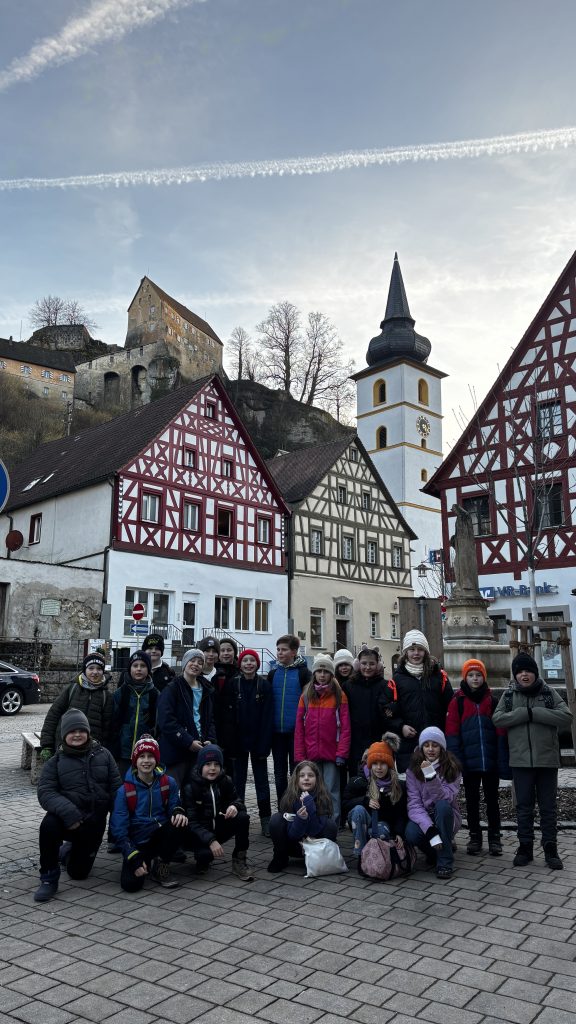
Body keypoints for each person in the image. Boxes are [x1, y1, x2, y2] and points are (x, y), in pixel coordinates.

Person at [493, 651, 572, 870]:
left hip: (547, 760)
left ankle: (550, 848)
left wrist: (535, 713)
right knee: (524, 807)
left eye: (528, 671)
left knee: (548, 807)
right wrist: (522, 714)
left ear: (535, 673)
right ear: (515, 675)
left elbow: (566, 716)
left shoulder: (548, 693)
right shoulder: (509, 695)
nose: (524, 675)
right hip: (520, 762)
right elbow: (497, 719)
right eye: (520, 672)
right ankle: (525, 847)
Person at [34, 709, 121, 902]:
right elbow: (46, 792)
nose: (77, 734)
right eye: (72, 731)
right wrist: (70, 814)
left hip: (93, 823)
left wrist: (119, 823)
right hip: (66, 819)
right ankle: (48, 878)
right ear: (64, 734)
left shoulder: (105, 755)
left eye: (81, 730)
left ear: (88, 732)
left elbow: (116, 789)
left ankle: (66, 852)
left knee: (79, 873)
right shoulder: (55, 762)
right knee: (48, 826)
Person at [110, 735, 188, 891]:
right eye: (142, 756)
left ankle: (161, 864)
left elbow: (174, 804)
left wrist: (178, 811)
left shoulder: (168, 783)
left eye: (150, 756)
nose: (146, 761)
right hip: (137, 842)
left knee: (181, 822)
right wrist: (133, 857)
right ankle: (142, 860)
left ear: (156, 759)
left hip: (160, 835)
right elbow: (119, 828)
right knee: (130, 885)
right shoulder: (124, 790)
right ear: (135, 761)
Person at [446, 658, 506, 856]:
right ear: (465, 677)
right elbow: (452, 733)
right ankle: (474, 836)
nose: (474, 678)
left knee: (492, 800)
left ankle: (494, 837)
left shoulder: (492, 700)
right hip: (468, 763)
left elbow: (500, 732)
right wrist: (457, 761)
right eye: (470, 675)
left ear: (484, 677)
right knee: (471, 801)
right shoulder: (458, 702)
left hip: (489, 761)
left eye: (478, 675)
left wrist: (500, 758)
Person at [218, 648, 273, 836]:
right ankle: (239, 819)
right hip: (238, 742)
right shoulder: (233, 684)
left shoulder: (264, 686)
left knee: (262, 782)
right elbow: (228, 717)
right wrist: (230, 744)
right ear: (239, 664)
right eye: (245, 660)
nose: (249, 664)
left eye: (252, 660)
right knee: (238, 783)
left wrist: (265, 745)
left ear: (257, 664)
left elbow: (268, 717)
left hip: (258, 742)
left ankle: (266, 819)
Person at [386, 630, 454, 773]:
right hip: (410, 741)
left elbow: (450, 706)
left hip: (434, 740)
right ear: (406, 652)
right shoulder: (397, 679)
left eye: (420, 649)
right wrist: (401, 726)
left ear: (426, 652)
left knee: (435, 779)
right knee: (413, 781)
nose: (416, 653)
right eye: (412, 649)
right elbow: (389, 710)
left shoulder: (438, 676)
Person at [183, 744, 254, 880]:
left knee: (243, 817)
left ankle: (239, 859)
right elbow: (192, 823)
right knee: (204, 856)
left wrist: (234, 806)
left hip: (220, 827)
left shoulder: (225, 781)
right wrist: (211, 840)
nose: (212, 768)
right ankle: (202, 859)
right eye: (208, 764)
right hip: (200, 833)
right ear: (200, 766)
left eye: (216, 764)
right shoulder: (190, 787)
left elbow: (238, 801)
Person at [294, 655, 350, 822]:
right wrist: (300, 755)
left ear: (331, 674)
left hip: (332, 753)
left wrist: (342, 753)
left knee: (331, 790)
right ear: (314, 674)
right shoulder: (306, 696)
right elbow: (299, 728)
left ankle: (332, 823)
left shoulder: (339, 696)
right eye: (319, 671)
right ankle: (313, 821)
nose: (322, 675)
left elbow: (345, 727)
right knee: (311, 789)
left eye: (326, 672)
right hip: (310, 753)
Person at [405, 727, 462, 880]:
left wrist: (431, 778)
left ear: (441, 747)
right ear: (421, 747)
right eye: (426, 745)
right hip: (424, 816)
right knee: (410, 833)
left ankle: (445, 862)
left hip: (446, 815)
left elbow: (445, 799)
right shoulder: (412, 770)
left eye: (435, 745)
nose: (430, 749)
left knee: (442, 806)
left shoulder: (452, 768)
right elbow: (414, 804)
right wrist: (430, 831)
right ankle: (435, 852)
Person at [156, 648, 216, 786]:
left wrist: (211, 739)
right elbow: (166, 721)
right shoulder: (172, 689)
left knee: (194, 793)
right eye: (192, 661)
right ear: (185, 663)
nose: (196, 664)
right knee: (173, 791)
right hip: (176, 751)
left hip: (199, 749)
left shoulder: (207, 689)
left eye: (200, 662)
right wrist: (188, 741)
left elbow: (210, 718)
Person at [40, 652, 113, 761]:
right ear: (85, 670)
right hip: (65, 746)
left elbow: (108, 728)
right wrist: (47, 745)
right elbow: (53, 715)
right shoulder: (72, 689)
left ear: (103, 671)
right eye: (91, 668)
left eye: (99, 669)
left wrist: (104, 752)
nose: (95, 672)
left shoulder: (106, 696)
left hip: (91, 751)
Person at [267, 760, 337, 873]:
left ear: (317, 779)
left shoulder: (323, 798)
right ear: (296, 779)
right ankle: (280, 857)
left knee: (330, 824)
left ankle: (322, 858)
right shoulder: (290, 798)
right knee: (276, 819)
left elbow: (314, 830)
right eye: (302, 775)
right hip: (294, 844)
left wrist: (310, 807)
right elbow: (293, 834)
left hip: (315, 844)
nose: (306, 778)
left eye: (310, 775)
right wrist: (301, 819)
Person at [343, 733, 407, 857]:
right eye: (375, 763)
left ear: (389, 765)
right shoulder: (358, 781)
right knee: (358, 810)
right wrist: (365, 800)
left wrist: (399, 833)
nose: (378, 767)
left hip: (383, 824)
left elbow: (401, 812)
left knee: (382, 831)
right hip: (361, 822)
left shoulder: (398, 785)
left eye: (383, 763)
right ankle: (361, 855)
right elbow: (345, 804)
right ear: (369, 764)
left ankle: (378, 855)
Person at [268, 634, 311, 803]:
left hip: (296, 733)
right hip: (277, 733)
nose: (280, 653)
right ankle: (282, 806)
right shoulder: (273, 674)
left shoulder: (304, 673)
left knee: (296, 772)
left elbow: (309, 703)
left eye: (284, 650)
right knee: (279, 774)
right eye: (278, 649)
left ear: (294, 652)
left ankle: (297, 806)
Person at [341, 647, 390, 776]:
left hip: (378, 739)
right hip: (355, 740)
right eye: (364, 663)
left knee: (378, 777)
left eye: (371, 664)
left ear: (377, 665)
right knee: (357, 777)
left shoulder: (385, 685)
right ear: (358, 665)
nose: (367, 667)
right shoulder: (348, 686)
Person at [111, 650, 160, 777]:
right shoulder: (120, 693)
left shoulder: (155, 694)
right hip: (123, 753)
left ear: (148, 669)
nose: (139, 669)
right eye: (135, 665)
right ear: (129, 669)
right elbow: (112, 722)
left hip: (146, 754)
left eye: (143, 666)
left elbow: (158, 724)